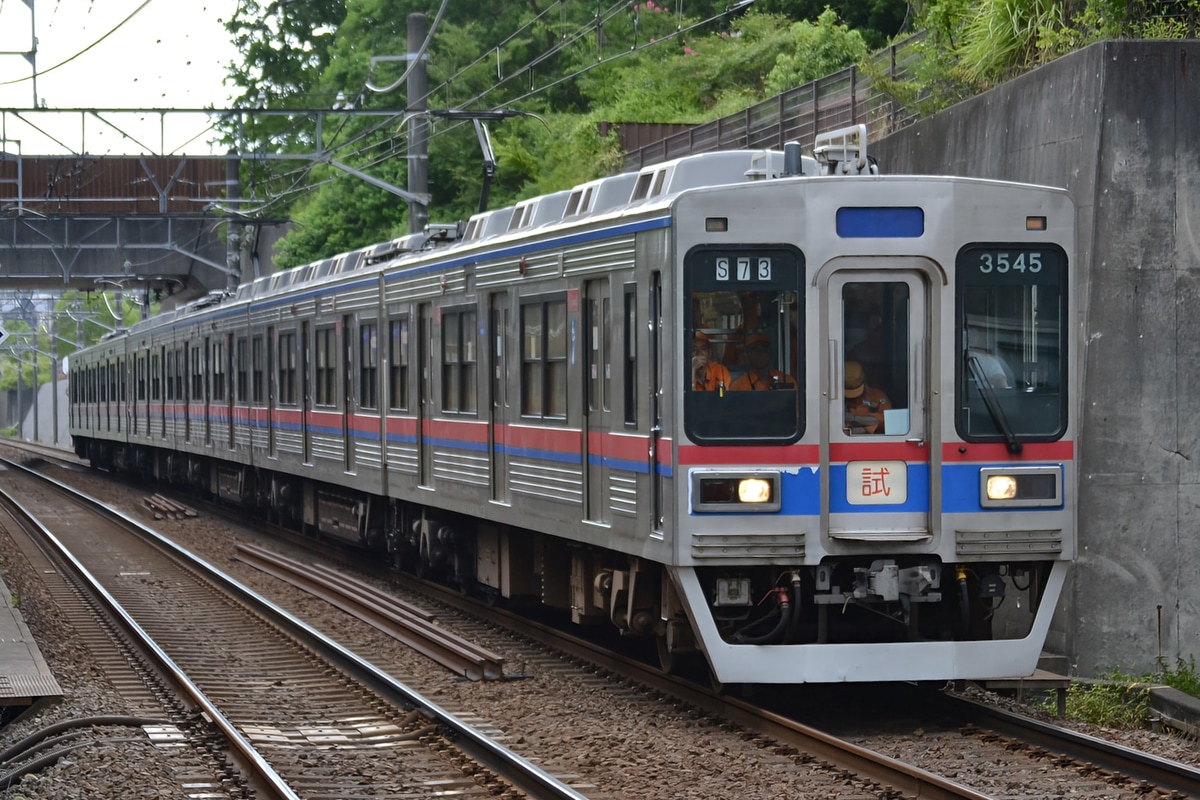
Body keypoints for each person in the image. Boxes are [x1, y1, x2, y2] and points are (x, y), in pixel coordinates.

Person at [730, 334, 796, 391]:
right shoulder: (738, 387)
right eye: (755, 349)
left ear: (770, 352)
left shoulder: (787, 381)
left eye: (765, 348)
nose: (761, 352)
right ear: (747, 355)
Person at [844, 360, 891, 434]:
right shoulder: (834, 402)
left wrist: (855, 421)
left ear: (864, 380)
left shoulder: (878, 396)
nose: (854, 398)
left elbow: (889, 420)